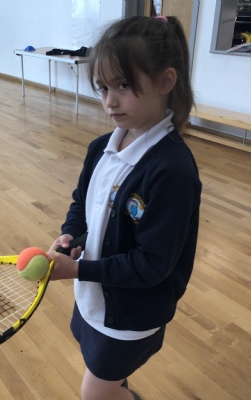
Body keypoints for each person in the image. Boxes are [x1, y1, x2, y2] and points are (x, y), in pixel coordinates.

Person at [47, 16, 202, 400]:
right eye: (103, 87)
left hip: (131, 315)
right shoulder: (101, 148)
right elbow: (82, 203)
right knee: (106, 376)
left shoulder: (172, 171)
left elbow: (152, 264)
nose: (109, 101)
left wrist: (79, 270)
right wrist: (70, 234)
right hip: (94, 301)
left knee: (94, 394)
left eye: (123, 85)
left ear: (165, 81)